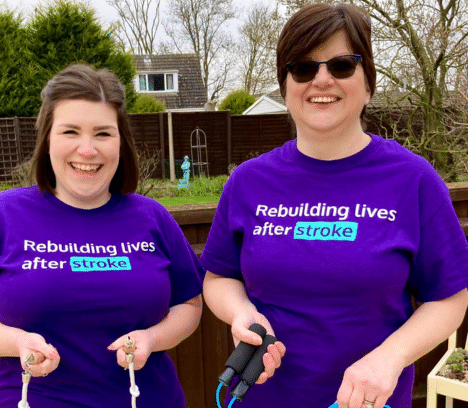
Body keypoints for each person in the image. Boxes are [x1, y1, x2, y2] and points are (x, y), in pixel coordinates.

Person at [200, 3, 468, 408]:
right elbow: (218, 278)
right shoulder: (248, 182)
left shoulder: (413, 180)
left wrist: (390, 358)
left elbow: (450, 297)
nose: (321, 80)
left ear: (368, 82)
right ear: (286, 84)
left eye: (342, 65)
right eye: (303, 68)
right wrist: (240, 313)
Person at [0, 64, 204, 408]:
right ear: (47, 139)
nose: (88, 150)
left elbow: (190, 304)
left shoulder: (154, 218)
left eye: (103, 134)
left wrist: (153, 337)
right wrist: (18, 343)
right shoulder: (0, 216)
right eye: (70, 132)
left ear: (122, 144)